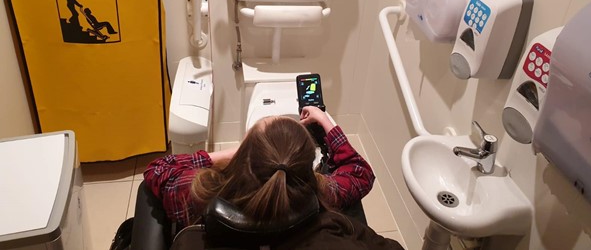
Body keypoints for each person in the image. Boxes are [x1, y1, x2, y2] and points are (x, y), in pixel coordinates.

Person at [144, 107, 405, 249]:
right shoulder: (324, 193)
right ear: (305, 167)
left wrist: (229, 154)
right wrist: (326, 121)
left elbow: (157, 171)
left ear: (245, 156)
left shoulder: (197, 194)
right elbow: (360, 172)